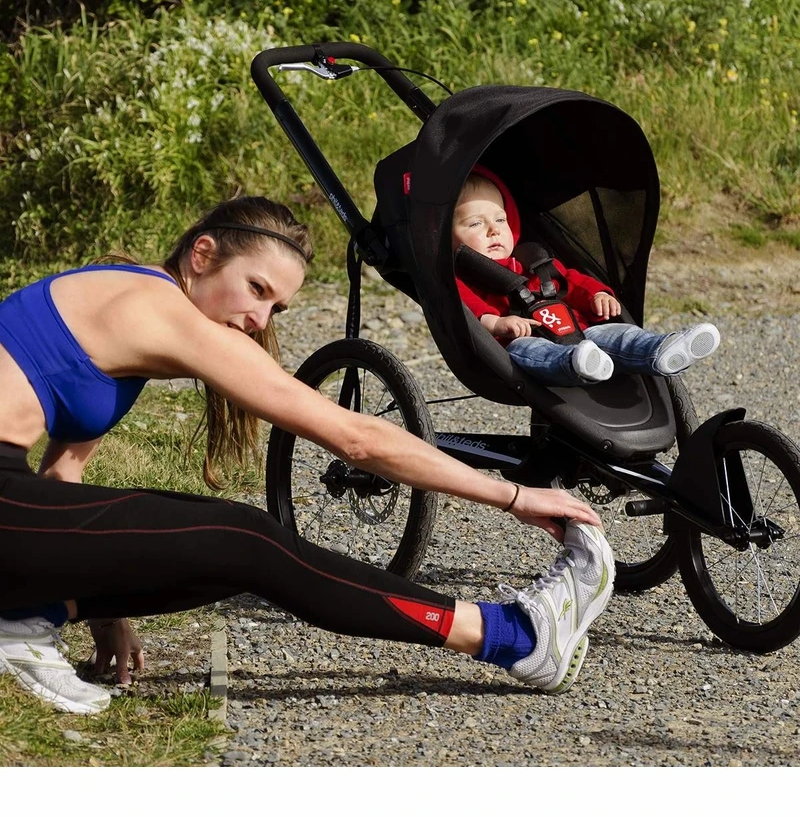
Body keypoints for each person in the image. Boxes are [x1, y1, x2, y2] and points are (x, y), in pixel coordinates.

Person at [0, 195, 615, 715]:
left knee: (223, 554)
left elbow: (64, 476)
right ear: (203, 254)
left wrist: (93, 604)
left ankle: (29, 615)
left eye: (277, 308)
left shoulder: (121, 300)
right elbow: (358, 439)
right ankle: (514, 635)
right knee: (245, 537)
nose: (258, 317)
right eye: (256, 289)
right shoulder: (160, 313)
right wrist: (512, 494)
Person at [453, 166, 721, 386]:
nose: (493, 230)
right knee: (530, 352)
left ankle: (658, 349)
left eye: (500, 220)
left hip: (579, 332)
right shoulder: (461, 277)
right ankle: (576, 364)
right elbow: (465, 306)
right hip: (517, 344)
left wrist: (598, 295)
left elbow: (571, 281)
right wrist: (496, 323)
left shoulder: (531, 261)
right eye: (476, 223)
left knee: (618, 333)